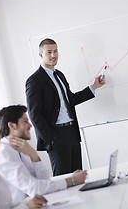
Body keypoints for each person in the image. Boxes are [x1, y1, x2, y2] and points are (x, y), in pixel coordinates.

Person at [25, 38, 105, 176]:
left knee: (78, 176)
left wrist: (94, 87)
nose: (53, 55)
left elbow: (70, 100)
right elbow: (34, 114)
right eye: (49, 52)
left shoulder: (59, 75)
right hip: (56, 136)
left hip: (72, 132)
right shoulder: (34, 80)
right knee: (63, 180)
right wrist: (51, 139)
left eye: (55, 51)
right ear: (41, 55)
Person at [0, 105, 87, 205]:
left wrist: (34, 156)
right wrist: (72, 180)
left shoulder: (22, 147)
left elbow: (44, 181)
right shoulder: (3, 152)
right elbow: (35, 189)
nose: (30, 125)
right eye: (25, 121)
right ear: (12, 126)